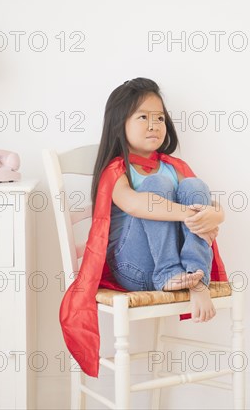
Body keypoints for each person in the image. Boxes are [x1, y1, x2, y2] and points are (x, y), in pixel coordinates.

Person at [91, 77, 225, 323]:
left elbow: (207, 204)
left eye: (160, 118)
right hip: (135, 268)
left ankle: (198, 278)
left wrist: (216, 215)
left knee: (195, 186)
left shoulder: (174, 167)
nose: (154, 125)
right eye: (143, 117)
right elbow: (134, 203)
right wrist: (190, 214)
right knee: (156, 185)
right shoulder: (117, 170)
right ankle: (167, 272)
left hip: (183, 269)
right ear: (119, 124)